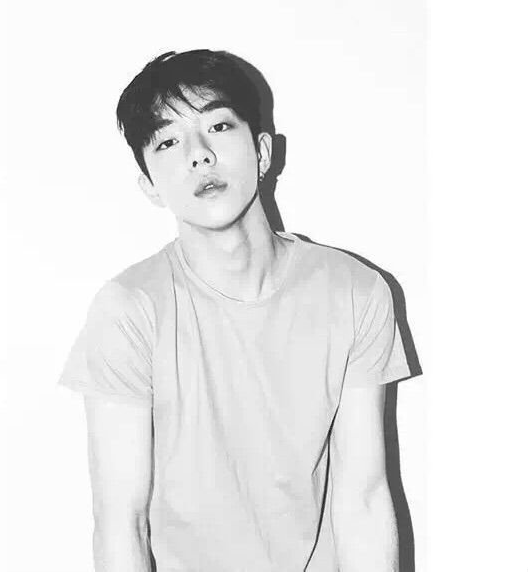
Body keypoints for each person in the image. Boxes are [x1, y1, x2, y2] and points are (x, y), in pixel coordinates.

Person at [58, 49, 412, 571]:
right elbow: (120, 522)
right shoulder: (129, 310)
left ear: (262, 152)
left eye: (218, 126)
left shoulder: (354, 291)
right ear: (150, 185)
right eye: (168, 141)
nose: (199, 155)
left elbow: (363, 500)